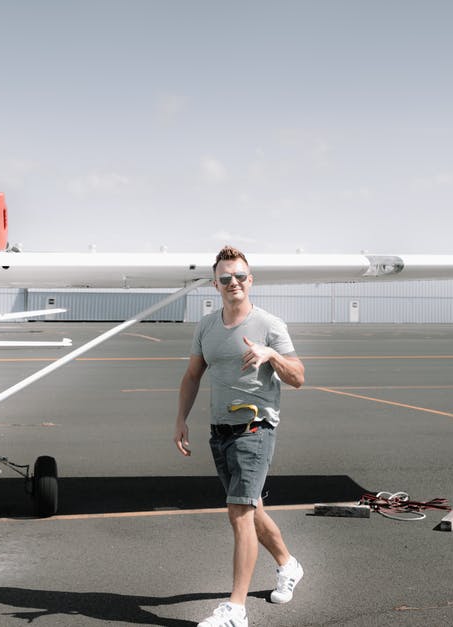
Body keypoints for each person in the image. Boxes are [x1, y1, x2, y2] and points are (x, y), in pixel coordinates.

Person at [174, 246, 306, 627]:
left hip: (255, 428)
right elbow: (192, 376)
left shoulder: (269, 325)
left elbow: (298, 377)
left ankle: (236, 610)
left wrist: (270, 355)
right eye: (226, 278)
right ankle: (288, 564)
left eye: (240, 277)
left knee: (239, 513)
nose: (234, 283)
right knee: (251, 508)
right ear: (215, 284)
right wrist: (180, 419)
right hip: (220, 434)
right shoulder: (207, 327)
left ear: (251, 281)